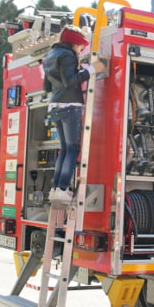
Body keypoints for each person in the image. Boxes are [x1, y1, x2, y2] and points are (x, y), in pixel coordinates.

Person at [42, 25, 98, 202]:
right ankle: (63, 188)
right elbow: (70, 82)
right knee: (73, 149)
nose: (81, 50)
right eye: (81, 46)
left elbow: (46, 87)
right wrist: (90, 70)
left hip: (55, 106)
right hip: (69, 105)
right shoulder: (67, 56)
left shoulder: (50, 56)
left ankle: (56, 188)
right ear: (75, 43)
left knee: (65, 149)